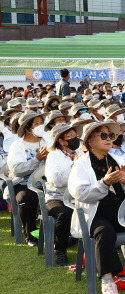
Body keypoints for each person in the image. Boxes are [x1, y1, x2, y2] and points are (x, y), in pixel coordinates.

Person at [67, 122, 125, 294]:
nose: (109, 139)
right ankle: (108, 280)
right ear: (90, 141)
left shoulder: (118, 159)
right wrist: (104, 183)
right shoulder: (81, 164)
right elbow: (80, 194)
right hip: (96, 214)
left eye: (110, 135)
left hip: (121, 211)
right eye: (103, 136)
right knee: (104, 232)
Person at [7, 110, 49, 246]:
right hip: (24, 183)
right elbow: (16, 170)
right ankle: (31, 235)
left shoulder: (46, 141)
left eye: (41, 123)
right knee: (27, 199)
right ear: (27, 127)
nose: (40, 126)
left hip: (47, 182)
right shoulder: (17, 145)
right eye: (36, 123)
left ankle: (61, 233)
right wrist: (37, 160)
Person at [44, 123, 83, 265]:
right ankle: (60, 250)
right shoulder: (53, 156)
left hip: (78, 196)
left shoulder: (80, 153)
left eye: (75, 135)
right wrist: (75, 166)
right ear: (61, 141)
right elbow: (57, 181)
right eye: (70, 136)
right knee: (65, 214)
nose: (75, 138)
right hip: (57, 197)